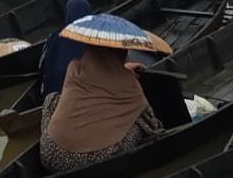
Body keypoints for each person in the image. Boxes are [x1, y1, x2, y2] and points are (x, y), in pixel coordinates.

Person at [39, 43, 163, 171]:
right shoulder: (130, 84)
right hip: (98, 162)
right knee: (139, 121)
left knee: (52, 98)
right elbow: (151, 123)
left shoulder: (74, 68)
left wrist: (123, 69)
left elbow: (98, 75)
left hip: (51, 156)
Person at [38, 0, 91, 97]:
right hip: (84, 95)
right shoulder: (94, 38)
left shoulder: (54, 37)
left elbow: (42, 66)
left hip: (52, 96)